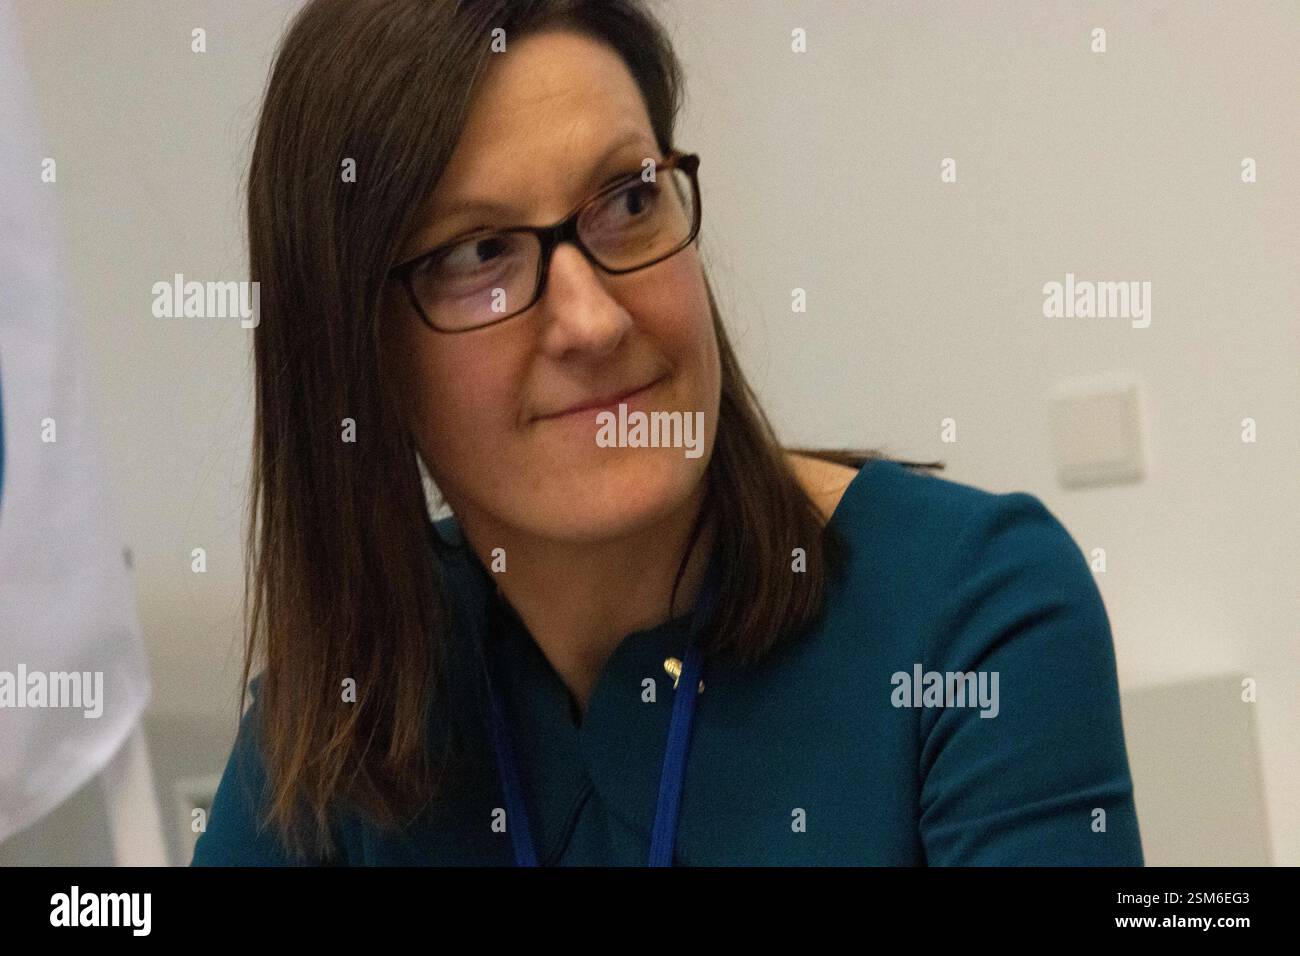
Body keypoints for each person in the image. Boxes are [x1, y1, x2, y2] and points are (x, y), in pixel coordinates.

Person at [191, 0, 1142, 866]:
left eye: (628, 200)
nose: (594, 321)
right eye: (480, 253)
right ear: (355, 353)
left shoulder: (969, 615)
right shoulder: (342, 714)